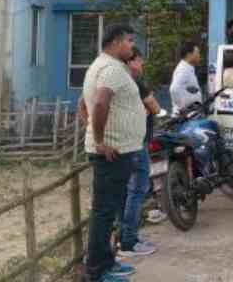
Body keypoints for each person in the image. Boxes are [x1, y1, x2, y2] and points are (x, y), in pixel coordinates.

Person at [82, 25, 144, 281]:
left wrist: (90, 131)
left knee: (107, 210)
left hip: (117, 149)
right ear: (117, 42)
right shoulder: (110, 69)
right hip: (111, 152)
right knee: (104, 211)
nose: (132, 46)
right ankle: (97, 271)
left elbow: (82, 104)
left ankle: (107, 262)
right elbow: (99, 103)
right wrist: (99, 141)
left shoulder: (105, 66)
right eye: (129, 41)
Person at [118, 47, 161, 259]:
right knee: (136, 192)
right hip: (135, 144)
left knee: (127, 192)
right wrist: (150, 109)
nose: (142, 65)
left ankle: (125, 238)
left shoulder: (117, 80)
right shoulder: (133, 83)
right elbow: (153, 106)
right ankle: (128, 242)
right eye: (140, 61)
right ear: (131, 62)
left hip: (122, 144)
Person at [170, 42, 203, 116]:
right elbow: (174, 89)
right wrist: (183, 108)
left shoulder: (188, 68)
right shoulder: (184, 69)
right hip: (186, 116)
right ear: (189, 54)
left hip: (190, 114)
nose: (199, 55)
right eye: (197, 53)